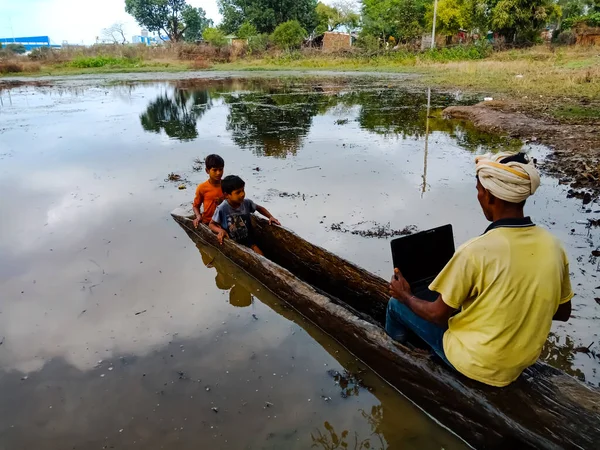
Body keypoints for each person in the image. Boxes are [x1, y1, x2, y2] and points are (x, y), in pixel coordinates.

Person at [386, 152, 573, 387]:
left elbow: (437, 314)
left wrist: (404, 294)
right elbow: (562, 312)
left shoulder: (476, 251)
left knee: (395, 305)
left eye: (479, 190)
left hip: (476, 364)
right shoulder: (554, 246)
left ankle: (397, 359)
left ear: (490, 196)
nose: (478, 196)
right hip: (518, 364)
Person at [210, 175, 280, 255]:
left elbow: (259, 208)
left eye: (243, 190)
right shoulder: (222, 208)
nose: (242, 194)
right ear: (226, 195)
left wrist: (270, 217)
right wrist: (220, 230)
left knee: (261, 256)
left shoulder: (246, 203)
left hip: (248, 240)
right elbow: (211, 224)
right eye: (238, 192)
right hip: (231, 241)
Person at [192, 154, 225, 228]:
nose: (218, 173)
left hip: (224, 221)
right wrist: (198, 216)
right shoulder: (202, 188)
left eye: (221, 169)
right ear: (207, 171)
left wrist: (222, 202)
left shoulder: (226, 185)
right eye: (215, 170)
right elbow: (196, 206)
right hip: (208, 221)